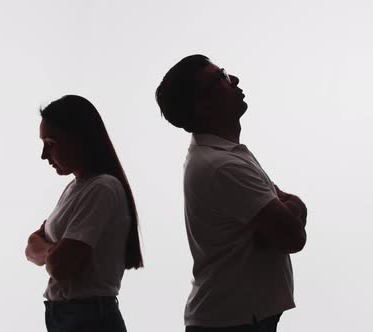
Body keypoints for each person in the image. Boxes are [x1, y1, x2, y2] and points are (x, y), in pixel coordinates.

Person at [155, 55, 307, 332]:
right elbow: (293, 236)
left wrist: (285, 212)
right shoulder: (223, 166)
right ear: (203, 105)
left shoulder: (224, 156)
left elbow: (283, 225)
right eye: (221, 78)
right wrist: (291, 208)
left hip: (236, 318)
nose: (234, 79)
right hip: (233, 322)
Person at [25, 95, 143, 332]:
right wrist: (53, 251)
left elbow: (59, 266)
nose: (44, 155)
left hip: (88, 320)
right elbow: (31, 246)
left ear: (78, 139)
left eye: (51, 144)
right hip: (72, 318)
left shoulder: (101, 188)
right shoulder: (75, 188)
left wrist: (47, 250)